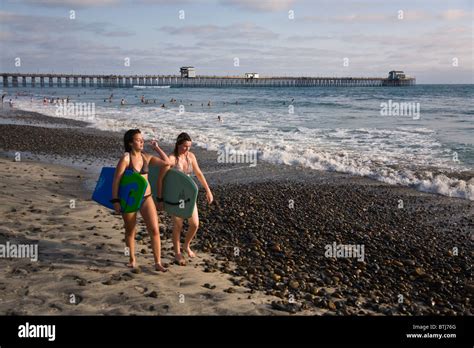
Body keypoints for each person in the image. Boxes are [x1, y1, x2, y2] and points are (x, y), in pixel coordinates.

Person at [111, 129, 171, 272]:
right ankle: (132, 259)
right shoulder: (126, 159)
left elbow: (166, 162)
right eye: (138, 140)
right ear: (131, 143)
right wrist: (115, 201)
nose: (142, 142)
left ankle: (157, 262)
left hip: (146, 198)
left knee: (155, 230)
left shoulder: (147, 157)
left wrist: (156, 148)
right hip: (130, 199)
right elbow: (116, 181)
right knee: (130, 230)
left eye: (142, 139)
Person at [155, 132, 213, 266]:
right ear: (178, 144)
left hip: (189, 195)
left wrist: (208, 190)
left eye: (189, 146)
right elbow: (160, 179)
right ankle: (177, 253)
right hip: (176, 196)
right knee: (178, 225)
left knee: (195, 224)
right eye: (184, 146)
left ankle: (186, 245)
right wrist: (160, 198)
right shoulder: (172, 159)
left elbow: (198, 173)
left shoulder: (191, 156)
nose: (187, 149)